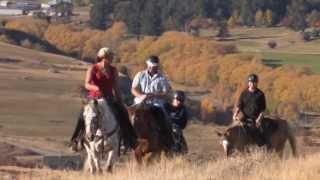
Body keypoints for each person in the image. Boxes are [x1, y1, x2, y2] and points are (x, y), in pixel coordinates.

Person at [70, 47, 136, 151]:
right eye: (109, 56)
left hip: (109, 98)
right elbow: (87, 84)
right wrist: (96, 88)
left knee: (122, 112)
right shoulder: (93, 68)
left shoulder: (113, 70)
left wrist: (120, 100)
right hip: (94, 98)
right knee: (82, 115)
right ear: (102, 57)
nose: (111, 58)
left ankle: (129, 140)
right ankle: (76, 140)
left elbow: (116, 87)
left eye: (111, 56)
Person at [131, 55, 173, 149]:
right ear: (147, 65)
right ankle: (126, 139)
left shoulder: (162, 78)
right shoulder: (140, 75)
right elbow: (133, 89)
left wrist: (155, 95)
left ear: (157, 66)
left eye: (154, 67)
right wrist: (141, 96)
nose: (151, 68)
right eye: (150, 66)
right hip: (140, 101)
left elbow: (166, 93)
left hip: (156, 103)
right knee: (129, 116)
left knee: (165, 118)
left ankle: (168, 141)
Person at [233, 74, 269, 147]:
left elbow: (263, 109)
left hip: (255, 118)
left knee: (253, 130)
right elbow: (239, 105)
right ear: (248, 82)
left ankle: (259, 145)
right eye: (250, 82)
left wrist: (259, 119)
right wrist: (235, 114)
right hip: (244, 116)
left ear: (256, 83)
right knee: (235, 127)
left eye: (254, 82)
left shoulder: (260, 94)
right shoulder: (244, 93)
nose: (252, 84)